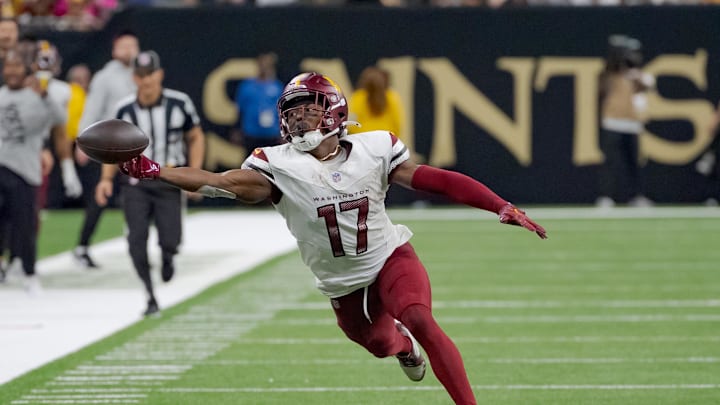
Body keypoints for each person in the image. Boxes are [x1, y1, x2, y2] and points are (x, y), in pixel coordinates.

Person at [116, 72, 546, 404]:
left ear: (335, 112)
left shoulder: (374, 149)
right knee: (381, 343)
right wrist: (156, 170)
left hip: (389, 257)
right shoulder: (278, 165)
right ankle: (402, 348)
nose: (298, 117)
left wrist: (499, 205)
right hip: (342, 284)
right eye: (293, 111)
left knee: (420, 317)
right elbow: (216, 181)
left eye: (309, 108)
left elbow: (438, 180)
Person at [95, 50, 205, 317]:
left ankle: (168, 255)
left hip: (168, 179)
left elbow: (196, 136)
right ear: (134, 77)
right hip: (135, 184)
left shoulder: (179, 103)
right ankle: (150, 294)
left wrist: (195, 173)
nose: (146, 81)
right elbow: (112, 147)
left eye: (150, 75)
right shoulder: (124, 108)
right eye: (141, 76)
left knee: (171, 240)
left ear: (160, 74)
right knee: (136, 242)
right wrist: (106, 179)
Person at [0, 46, 82, 290]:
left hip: (25, 168)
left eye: (16, 66)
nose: (11, 71)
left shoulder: (37, 95)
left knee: (26, 225)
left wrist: (45, 96)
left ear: (26, 69)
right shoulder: (1, 95)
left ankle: (29, 271)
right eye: (8, 66)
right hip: (1, 164)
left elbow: (60, 120)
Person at [74, 29, 139, 268]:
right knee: (99, 198)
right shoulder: (105, 77)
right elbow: (92, 109)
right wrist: (82, 142)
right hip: (108, 148)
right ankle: (82, 246)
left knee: (138, 195)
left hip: (133, 148)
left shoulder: (140, 75)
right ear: (114, 50)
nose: (129, 50)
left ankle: (136, 244)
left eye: (133, 45)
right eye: (124, 46)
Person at [596, 34, 655, 208]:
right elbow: (602, 86)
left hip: (631, 125)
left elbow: (647, 85)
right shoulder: (609, 74)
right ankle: (606, 196)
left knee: (633, 163)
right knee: (611, 162)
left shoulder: (638, 77)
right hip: (613, 122)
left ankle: (636, 196)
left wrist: (634, 74)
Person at [229, 52, 284, 153]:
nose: (264, 66)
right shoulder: (246, 86)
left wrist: (282, 133)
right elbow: (240, 109)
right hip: (251, 134)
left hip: (271, 135)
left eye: (267, 64)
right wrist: (236, 129)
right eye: (262, 63)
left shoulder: (278, 87)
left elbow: (282, 112)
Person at [348, 65, 404, 140]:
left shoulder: (358, 97)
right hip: (386, 139)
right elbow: (397, 124)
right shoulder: (392, 97)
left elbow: (351, 123)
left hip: (363, 140)